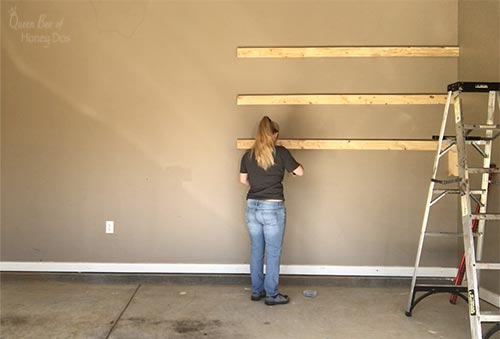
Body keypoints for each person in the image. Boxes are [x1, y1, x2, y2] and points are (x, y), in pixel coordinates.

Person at [239, 116, 304, 306]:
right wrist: (289, 170)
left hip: (252, 206)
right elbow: (300, 172)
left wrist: (257, 186)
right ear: (274, 135)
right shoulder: (281, 153)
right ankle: (272, 294)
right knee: (273, 252)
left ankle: (256, 291)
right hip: (273, 208)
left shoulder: (248, 155)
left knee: (256, 250)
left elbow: (243, 180)